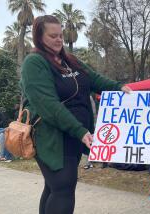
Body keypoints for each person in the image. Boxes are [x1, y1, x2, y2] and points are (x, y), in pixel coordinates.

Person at [20, 15, 131, 214]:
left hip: (74, 135)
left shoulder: (70, 60)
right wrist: (79, 130)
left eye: (61, 35)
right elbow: (48, 105)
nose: (59, 40)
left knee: (54, 187)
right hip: (51, 136)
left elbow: (94, 79)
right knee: (63, 186)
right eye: (53, 35)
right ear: (39, 37)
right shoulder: (34, 63)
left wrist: (119, 87)